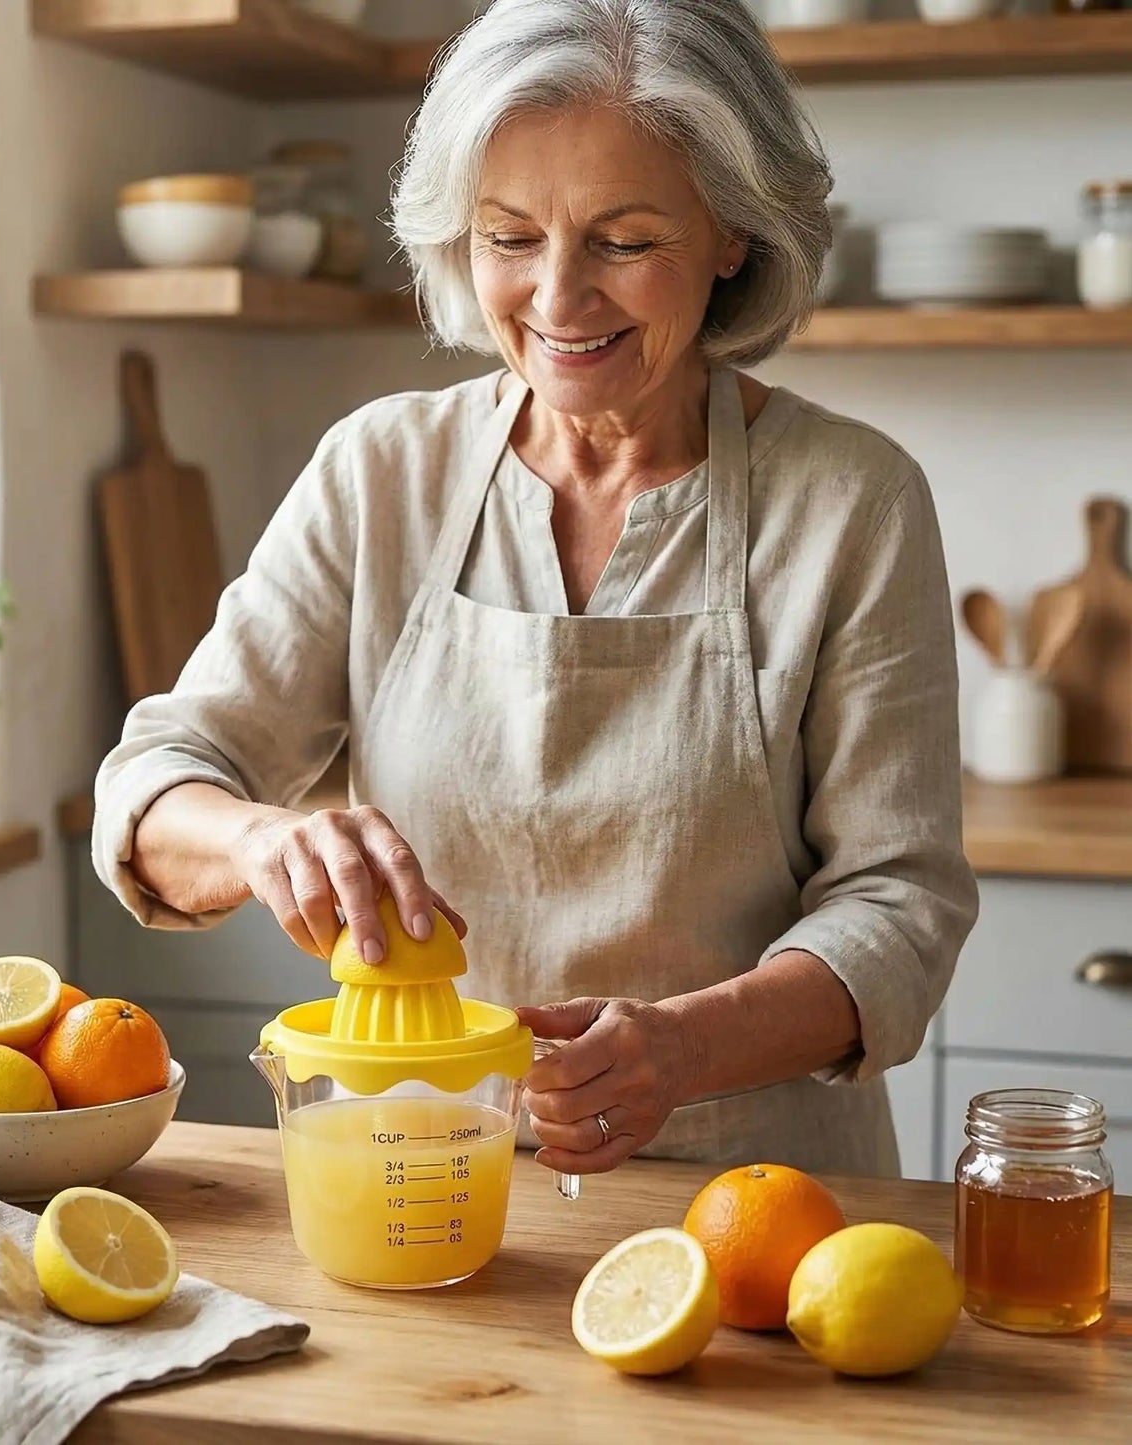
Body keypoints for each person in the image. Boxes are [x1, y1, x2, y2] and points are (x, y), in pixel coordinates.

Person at [92, 0, 978, 1180]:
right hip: (415, 1176)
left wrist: (678, 1047)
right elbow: (156, 785)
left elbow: (898, 904)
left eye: (621, 241)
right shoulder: (381, 471)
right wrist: (263, 839)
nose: (557, 299)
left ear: (730, 235)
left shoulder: (850, 501)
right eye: (509, 237)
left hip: (753, 1203)